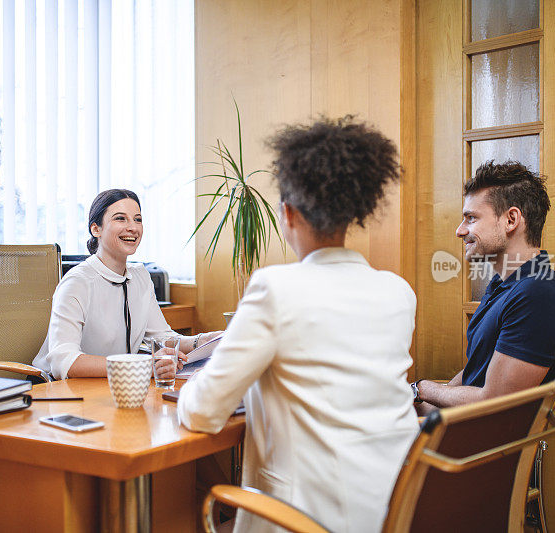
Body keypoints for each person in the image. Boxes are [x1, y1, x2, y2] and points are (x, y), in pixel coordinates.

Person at [178, 117, 419, 532]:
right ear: (354, 213)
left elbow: (202, 412)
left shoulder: (277, 288)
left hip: (305, 518)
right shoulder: (398, 292)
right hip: (394, 505)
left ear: (288, 213)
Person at [413, 161, 555, 414]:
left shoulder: (539, 292)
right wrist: (422, 398)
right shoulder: (505, 284)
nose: (460, 230)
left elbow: (495, 401)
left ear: (511, 220)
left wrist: (423, 389)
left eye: (471, 218)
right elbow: (479, 369)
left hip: (476, 447)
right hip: (461, 429)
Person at [33, 188, 219, 380]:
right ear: (96, 229)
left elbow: (161, 337)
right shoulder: (77, 282)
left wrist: (205, 340)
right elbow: (65, 361)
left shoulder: (140, 277)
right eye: (120, 218)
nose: (133, 227)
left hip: (115, 385)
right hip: (63, 391)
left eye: (137, 219)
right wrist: (144, 365)